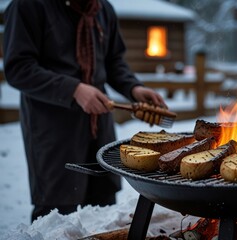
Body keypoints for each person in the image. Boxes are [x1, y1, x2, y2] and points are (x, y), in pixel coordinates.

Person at [3, 0, 167, 222]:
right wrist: (74, 90)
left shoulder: (102, 9)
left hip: (100, 127)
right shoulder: (28, 6)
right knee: (56, 217)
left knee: (103, 213)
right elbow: (18, 68)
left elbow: (113, 62)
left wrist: (134, 88)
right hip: (53, 133)